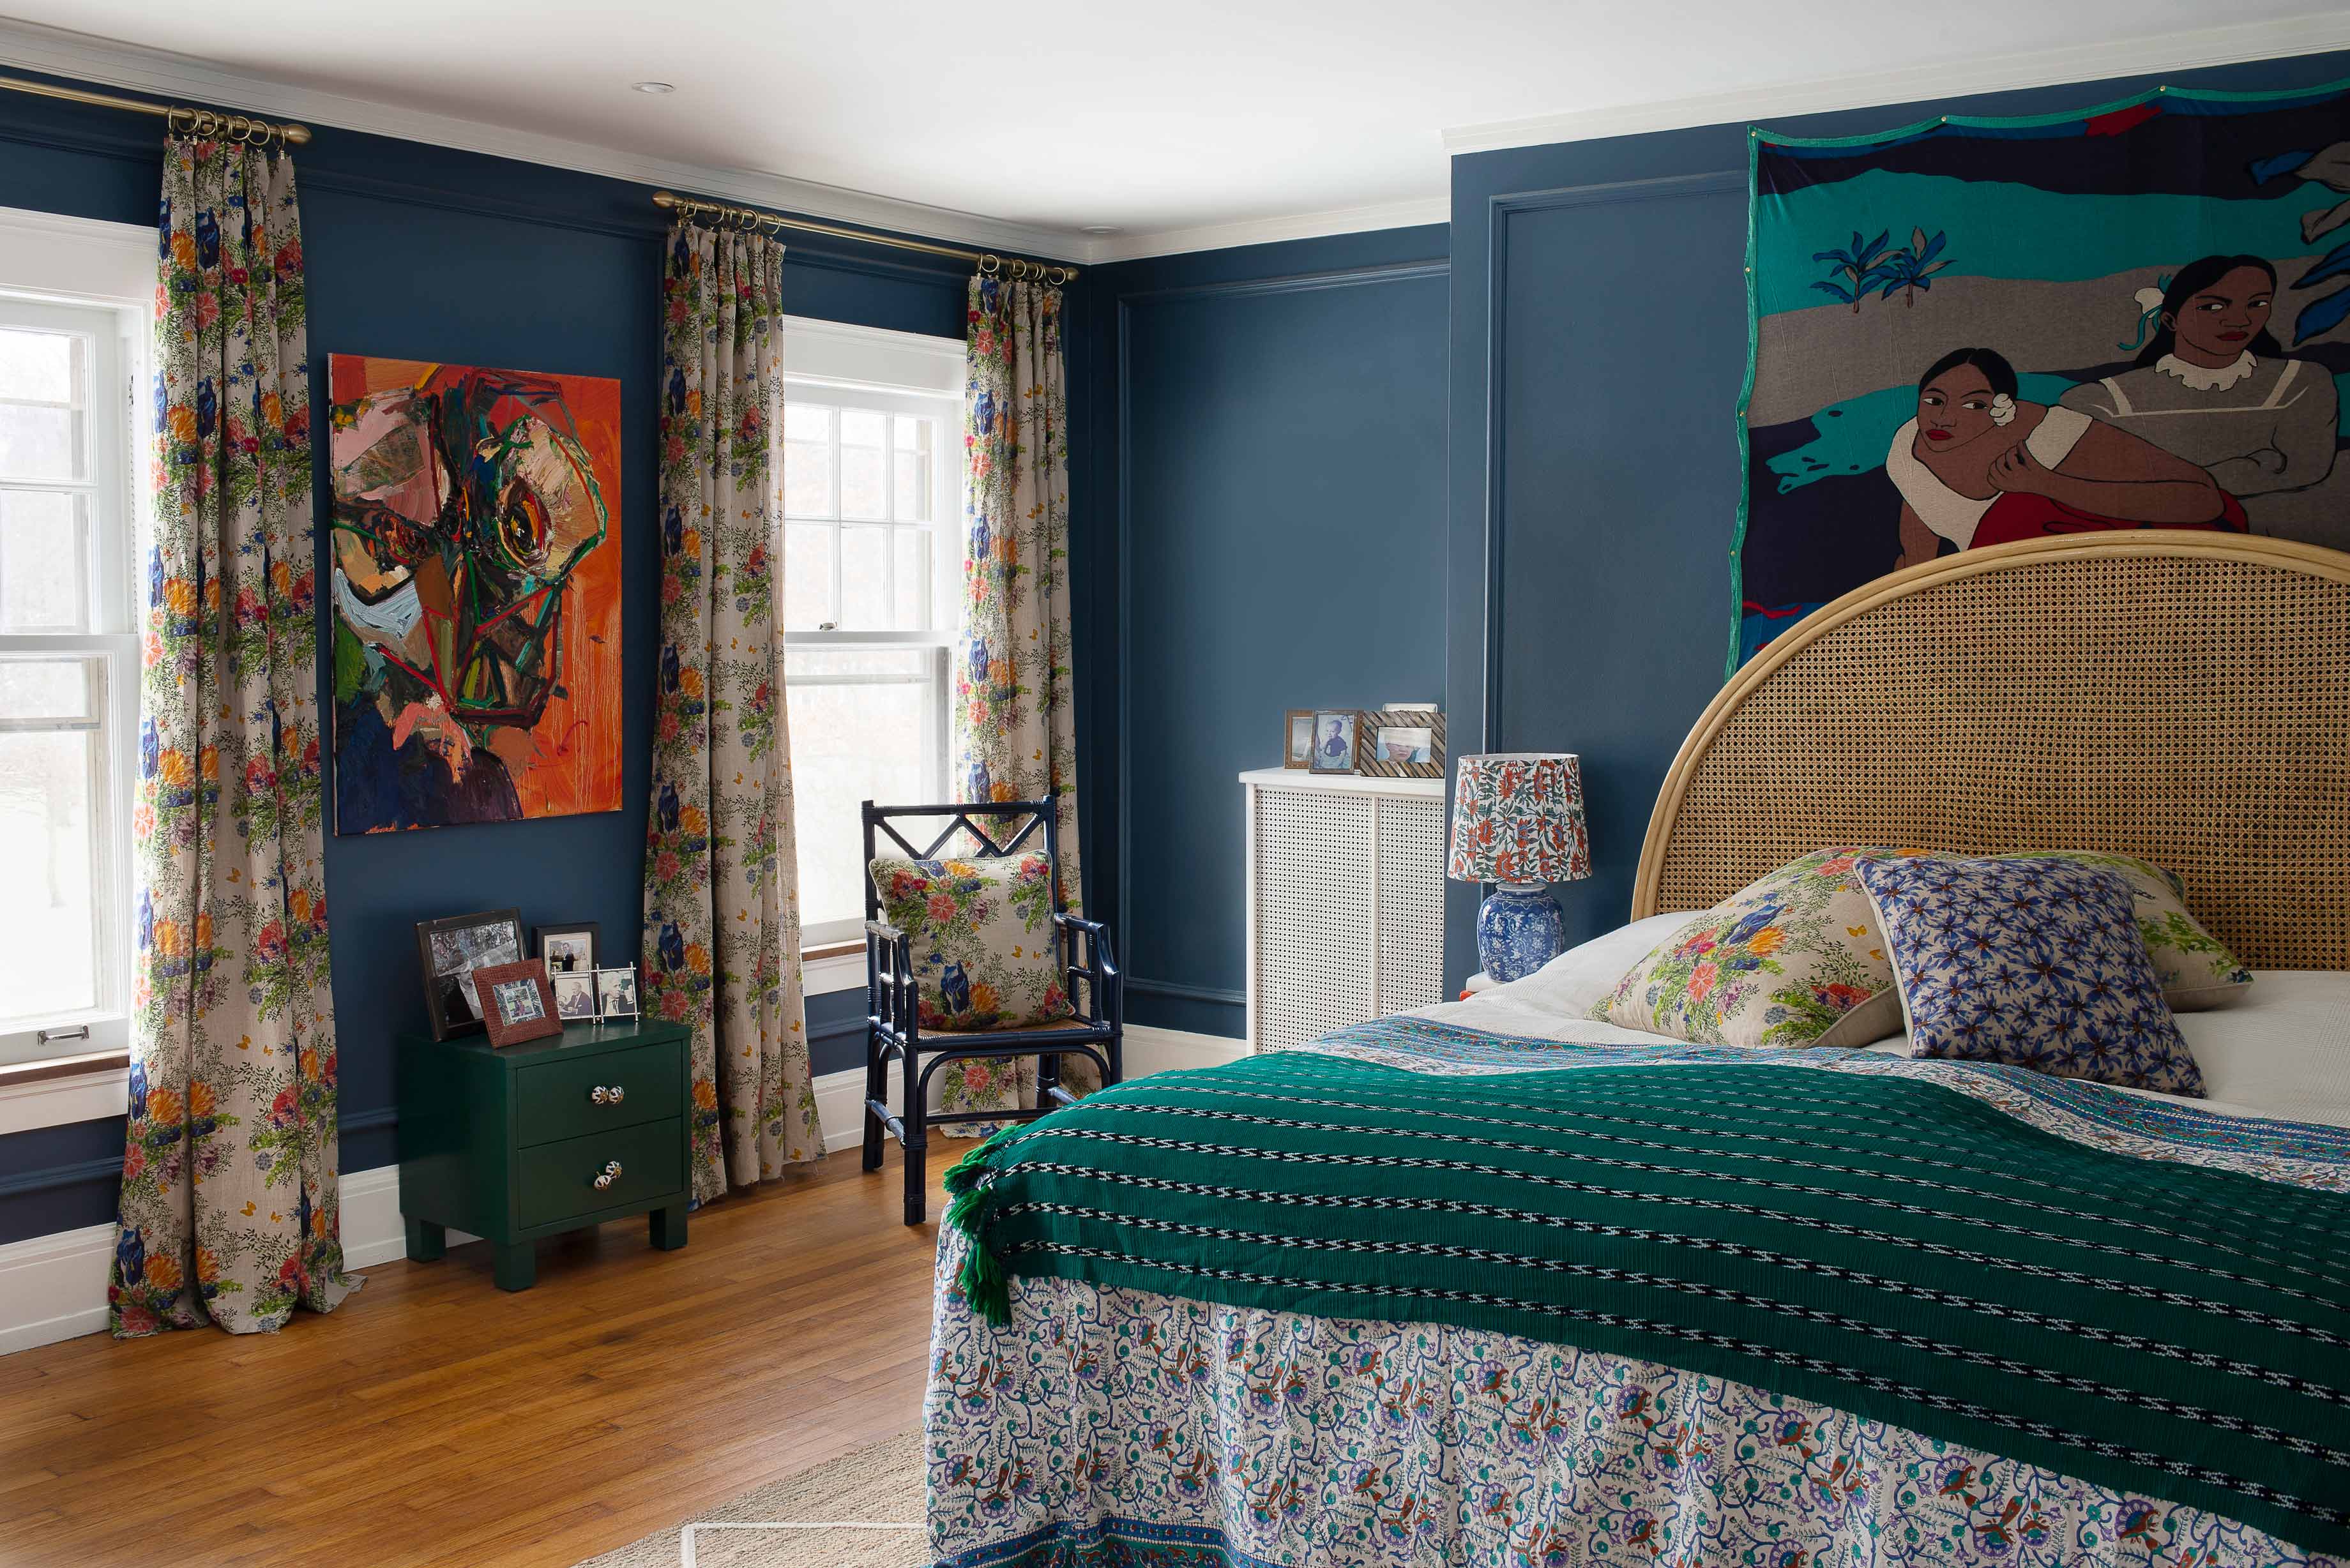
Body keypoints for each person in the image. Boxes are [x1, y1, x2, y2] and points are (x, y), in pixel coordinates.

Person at [2059, 255, 2342, 542]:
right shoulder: (2099, 400)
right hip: (2142, 553)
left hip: (2268, 553)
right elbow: (2092, 479)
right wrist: (2253, 463)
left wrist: (2154, 482)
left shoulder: (2302, 382)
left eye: (2257, 304)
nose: (2240, 320)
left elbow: (2302, 467)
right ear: (2170, 319)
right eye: (2213, 307)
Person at [1888, 347, 2243, 569]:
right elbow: (1920, 503)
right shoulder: (1909, 443)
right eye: (1934, 400)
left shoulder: (2054, 436)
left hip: (2173, 564)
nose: (1943, 418)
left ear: (2001, 408)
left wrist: (2047, 484)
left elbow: (2204, 500)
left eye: (1974, 405)